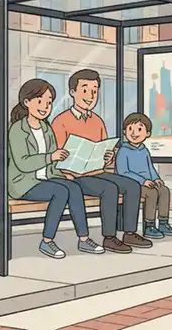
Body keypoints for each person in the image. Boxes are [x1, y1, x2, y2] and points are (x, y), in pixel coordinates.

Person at [51, 69, 152, 253]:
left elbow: (104, 149)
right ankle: (109, 237)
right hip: (75, 176)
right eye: (85, 89)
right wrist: (69, 171)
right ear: (73, 92)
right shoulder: (61, 121)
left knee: (132, 186)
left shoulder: (97, 121)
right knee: (109, 189)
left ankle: (129, 232)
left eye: (95, 90)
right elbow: (56, 156)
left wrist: (108, 157)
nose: (90, 95)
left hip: (98, 171)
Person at [6, 78, 105, 259]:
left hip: (46, 178)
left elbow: (52, 164)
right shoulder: (17, 129)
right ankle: (47, 240)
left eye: (49, 102)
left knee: (73, 187)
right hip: (23, 183)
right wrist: (51, 157)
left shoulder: (46, 128)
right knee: (60, 192)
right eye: (40, 101)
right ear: (26, 102)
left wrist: (63, 173)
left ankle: (84, 239)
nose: (45, 106)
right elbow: (23, 163)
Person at [115, 113, 172, 239]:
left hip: (147, 182)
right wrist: (143, 181)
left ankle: (163, 223)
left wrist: (156, 179)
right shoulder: (123, 151)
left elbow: (150, 168)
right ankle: (149, 226)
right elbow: (123, 172)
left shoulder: (144, 151)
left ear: (147, 133)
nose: (134, 133)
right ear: (124, 132)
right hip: (131, 184)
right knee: (151, 193)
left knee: (164, 190)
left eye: (139, 129)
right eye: (130, 129)